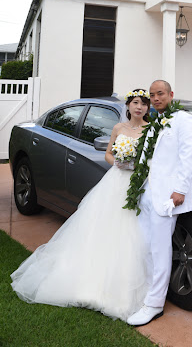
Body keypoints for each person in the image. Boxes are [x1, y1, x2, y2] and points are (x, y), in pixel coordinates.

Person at [11, 89, 151, 322]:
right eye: (136, 102)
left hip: (138, 183)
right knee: (105, 227)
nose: (140, 107)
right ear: (129, 105)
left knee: (133, 231)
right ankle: (93, 283)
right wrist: (119, 162)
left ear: (148, 108)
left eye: (144, 104)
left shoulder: (150, 131)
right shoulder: (118, 129)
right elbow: (108, 154)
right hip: (116, 182)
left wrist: (138, 167)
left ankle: (124, 286)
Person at [127, 79, 192, 327]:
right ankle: (147, 292)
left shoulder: (183, 120)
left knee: (160, 250)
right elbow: (149, 159)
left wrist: (180, 190)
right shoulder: (155, 121)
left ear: (171, 94)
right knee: (146, 246)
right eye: (152, 95)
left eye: (160, 94)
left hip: (168, 197)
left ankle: (155, 304)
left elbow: (188, 156)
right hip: (147, 194)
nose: (156, 98)